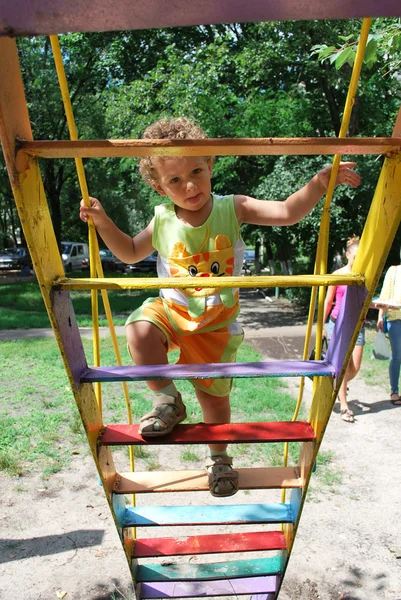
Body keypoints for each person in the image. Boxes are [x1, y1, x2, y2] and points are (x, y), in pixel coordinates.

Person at [80, 116, 360, 496]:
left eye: (197, 170)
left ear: (211, 163)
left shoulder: (234, 207)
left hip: (214, 325)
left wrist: (318, 184)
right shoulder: (162, 218)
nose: (190, 185)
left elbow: (287, 212)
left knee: (214, 402)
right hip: (172, 314)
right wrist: (103, 222)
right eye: (175, 180)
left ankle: (218, 458)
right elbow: (130, 252)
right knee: (139, 329)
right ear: (158, 185)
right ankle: (166, 398)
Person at [323, 236, 364, 423]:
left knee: (354, 368)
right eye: (355, 256)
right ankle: (344, 406)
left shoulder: (363, 276)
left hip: (358, 324)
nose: (357, 259)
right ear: (348, 255)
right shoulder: (337, 275)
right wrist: (322, 325)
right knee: (342, 365)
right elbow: (328, 301)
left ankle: (341, 385)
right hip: (337, 324)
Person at [374, 257, 401, 406]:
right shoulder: (394, 271)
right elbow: (385, 295)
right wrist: (380, 317)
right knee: (397, 356)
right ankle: (394, 391)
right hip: (395, 319)